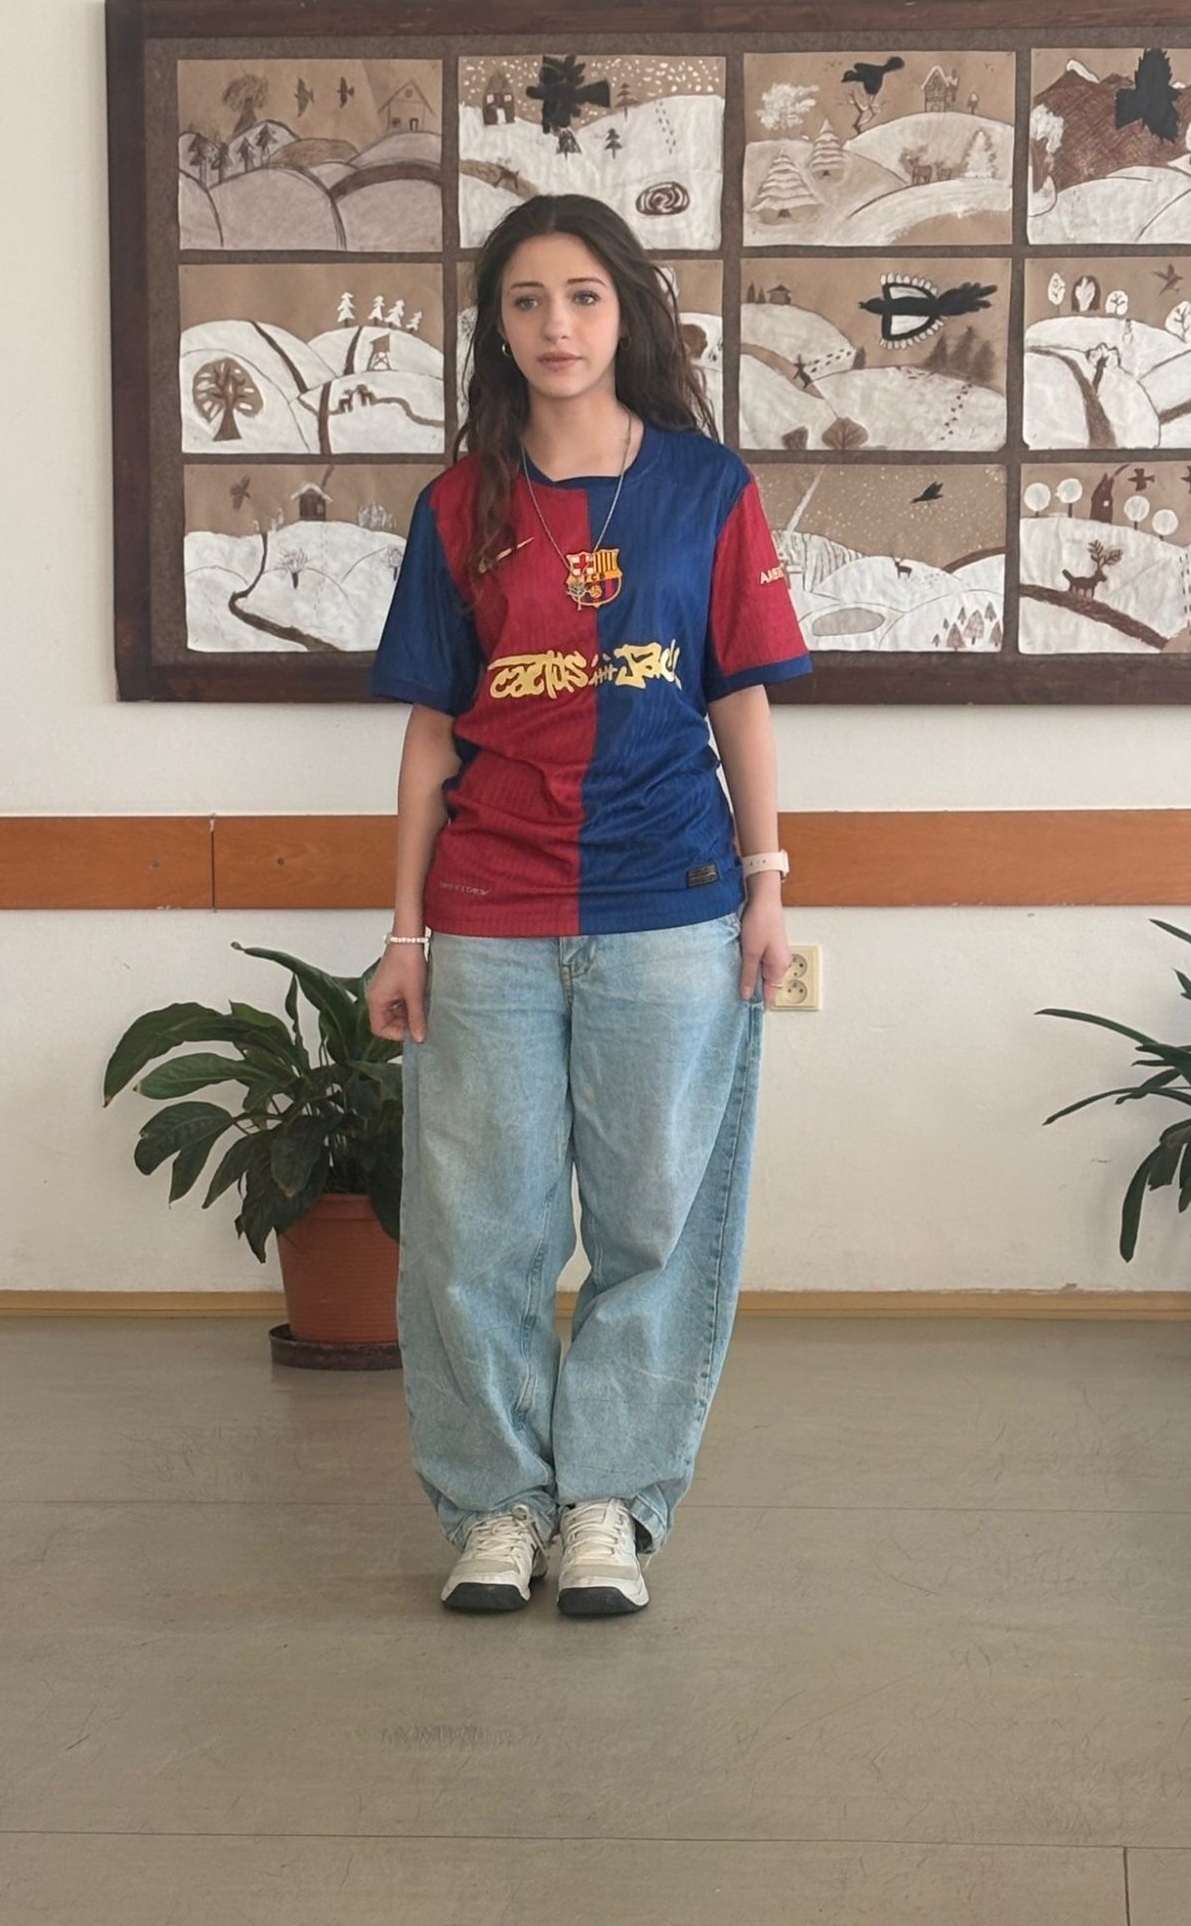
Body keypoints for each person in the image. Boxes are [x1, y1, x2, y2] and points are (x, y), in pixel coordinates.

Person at [364, 192, 812, 1619]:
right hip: (488, 913)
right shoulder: (459, 505)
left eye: (582, 296)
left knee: (652, 1227)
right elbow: (431, 735)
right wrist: (404, 933)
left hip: (671, 907)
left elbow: (740, 703)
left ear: (628, 313)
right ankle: (497, 1506)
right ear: (496, 328)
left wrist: (767, 889)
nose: (555, 325)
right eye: (525, 300)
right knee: (474, 1231)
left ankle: (609, 1502)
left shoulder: (707, 488)